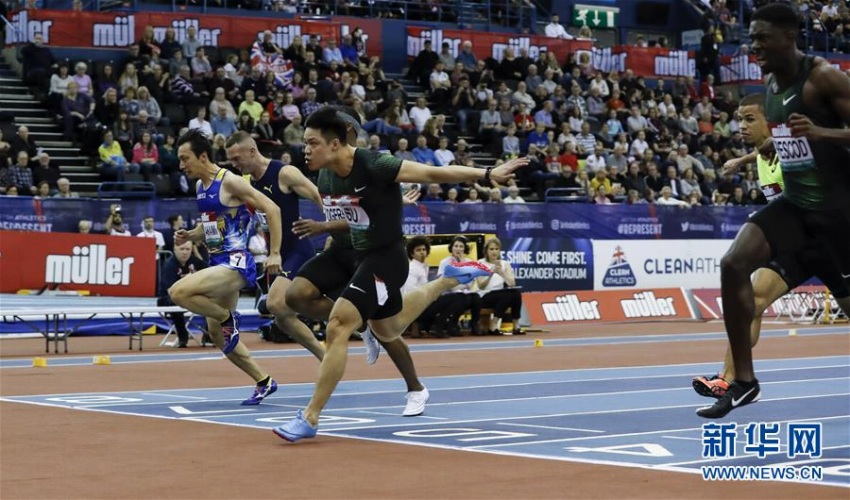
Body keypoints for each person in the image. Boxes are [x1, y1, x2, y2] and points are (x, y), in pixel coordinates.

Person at [273, 107, 526, 442]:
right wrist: (326, 231)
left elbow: (432, 173)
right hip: (347, 250)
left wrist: (487, 173)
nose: (305, 149)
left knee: (340, 324)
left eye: (312, 142)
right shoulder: (325, 176)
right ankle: (391, 326)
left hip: (385, 257)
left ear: (335, 143)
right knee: (300, 299)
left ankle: (310, 417)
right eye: (305, 143)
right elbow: (353, 218)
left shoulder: (376, 164)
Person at [697, 3, 850, 419]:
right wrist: (772, 144)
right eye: (751, 37)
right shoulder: (769, 83)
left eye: (762, 37)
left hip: (840, 218)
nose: (754, 45)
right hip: (798, 208)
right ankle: (743, 382)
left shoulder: (823, 77)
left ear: (788, 37)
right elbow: (792, 136)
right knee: (733, 263)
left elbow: (819, 133)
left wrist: (822, 132)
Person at [168, 129, 284, 406]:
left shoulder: (230, 182)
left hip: (236, 262)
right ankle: (264, 381)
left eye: (185, 159)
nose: (181, 165)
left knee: (177, 292)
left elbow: (273, 209)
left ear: (203, 156)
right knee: (220, 337)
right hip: (217, 261)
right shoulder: (200, 187)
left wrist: (275, 252)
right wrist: (190, 235)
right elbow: (210, 228)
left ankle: (226, 317)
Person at [224, 131, 327, 361]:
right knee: (280, 315)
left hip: (296, 250)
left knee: (274, 303)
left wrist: (329, 230)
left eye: (237, 159)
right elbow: (234, 217)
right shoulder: (247, 184)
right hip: (275, 257)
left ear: (252, 151)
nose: (234, 165)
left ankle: (346, 314)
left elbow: (320, 198)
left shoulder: (285, 173)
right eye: (230, 160)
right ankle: (324, 355)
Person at [159, 241, 207, 348]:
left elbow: (209, 271)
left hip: (191, 297)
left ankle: (209, 335)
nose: (185, 252)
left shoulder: (195, 261)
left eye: (187, 249)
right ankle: (182, 337)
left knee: (211, 300)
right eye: (182, 249)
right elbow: (170, 291)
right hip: (169, 298)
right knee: (175, 302)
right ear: (175, 249)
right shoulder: (169, 265)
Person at [476, 237, 524, 336]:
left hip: (501, 295)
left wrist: (502, 273)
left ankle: (516, 325)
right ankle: (494, 323)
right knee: (507, 295)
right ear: (486, 251)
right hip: (485, 296)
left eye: (497, 249)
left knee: (516, 293)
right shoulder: (480, 263)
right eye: (491, 249)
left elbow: (512, 283)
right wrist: (490, 273)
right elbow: (481, 286)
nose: (494, 252)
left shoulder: (505, 264)